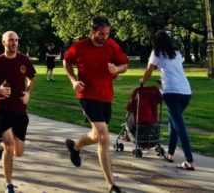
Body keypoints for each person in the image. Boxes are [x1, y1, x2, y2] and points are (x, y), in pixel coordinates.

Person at [63, 16, 129, 193]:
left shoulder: (111, 45)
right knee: (104, 137)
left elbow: (124, 64)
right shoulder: (79, 46)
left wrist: (117, 69)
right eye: (101, 33)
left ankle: (75, 146)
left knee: (96, 135)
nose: (104, 36)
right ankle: (111, 184)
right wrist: (73, 81)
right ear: (92, 31)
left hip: (106, 95)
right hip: (87, 94)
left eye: (107, 33)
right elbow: (66, 62)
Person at [0, 31, 36, 193]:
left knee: (19, 152)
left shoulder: (24, 60)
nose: (14, 43)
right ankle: (9, 185)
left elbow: (32, 79)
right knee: (10, 147)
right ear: (3, 42)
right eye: (11, 40)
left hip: (20, 109)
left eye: (16, 40)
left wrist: (28, 93)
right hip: (1, 108)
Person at [140, 30, 195, 171]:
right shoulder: (176, 53)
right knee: (174, 123)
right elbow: (174, 71)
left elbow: (148, 71)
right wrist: (162, 79)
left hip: (171, 93)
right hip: (186, 92)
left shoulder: (156, 53)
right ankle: (170, 154)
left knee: (179, 126)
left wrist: (142, 81)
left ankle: (189, 161)